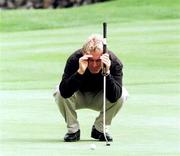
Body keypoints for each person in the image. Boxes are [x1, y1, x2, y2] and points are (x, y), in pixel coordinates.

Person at [53, 34, 128, 142]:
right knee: (58, 91)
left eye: (98, 61)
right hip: (78, 96)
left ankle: (99, 129)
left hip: (100, 98)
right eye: (90, 60)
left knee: (122, 94)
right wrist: (80, 72)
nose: (94, 65)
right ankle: (73, 131)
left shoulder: (114, 62)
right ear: (84, 55)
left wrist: (107, 73)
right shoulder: (75, 59)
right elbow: (64, 92)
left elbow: (115, 96)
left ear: (104, 56)